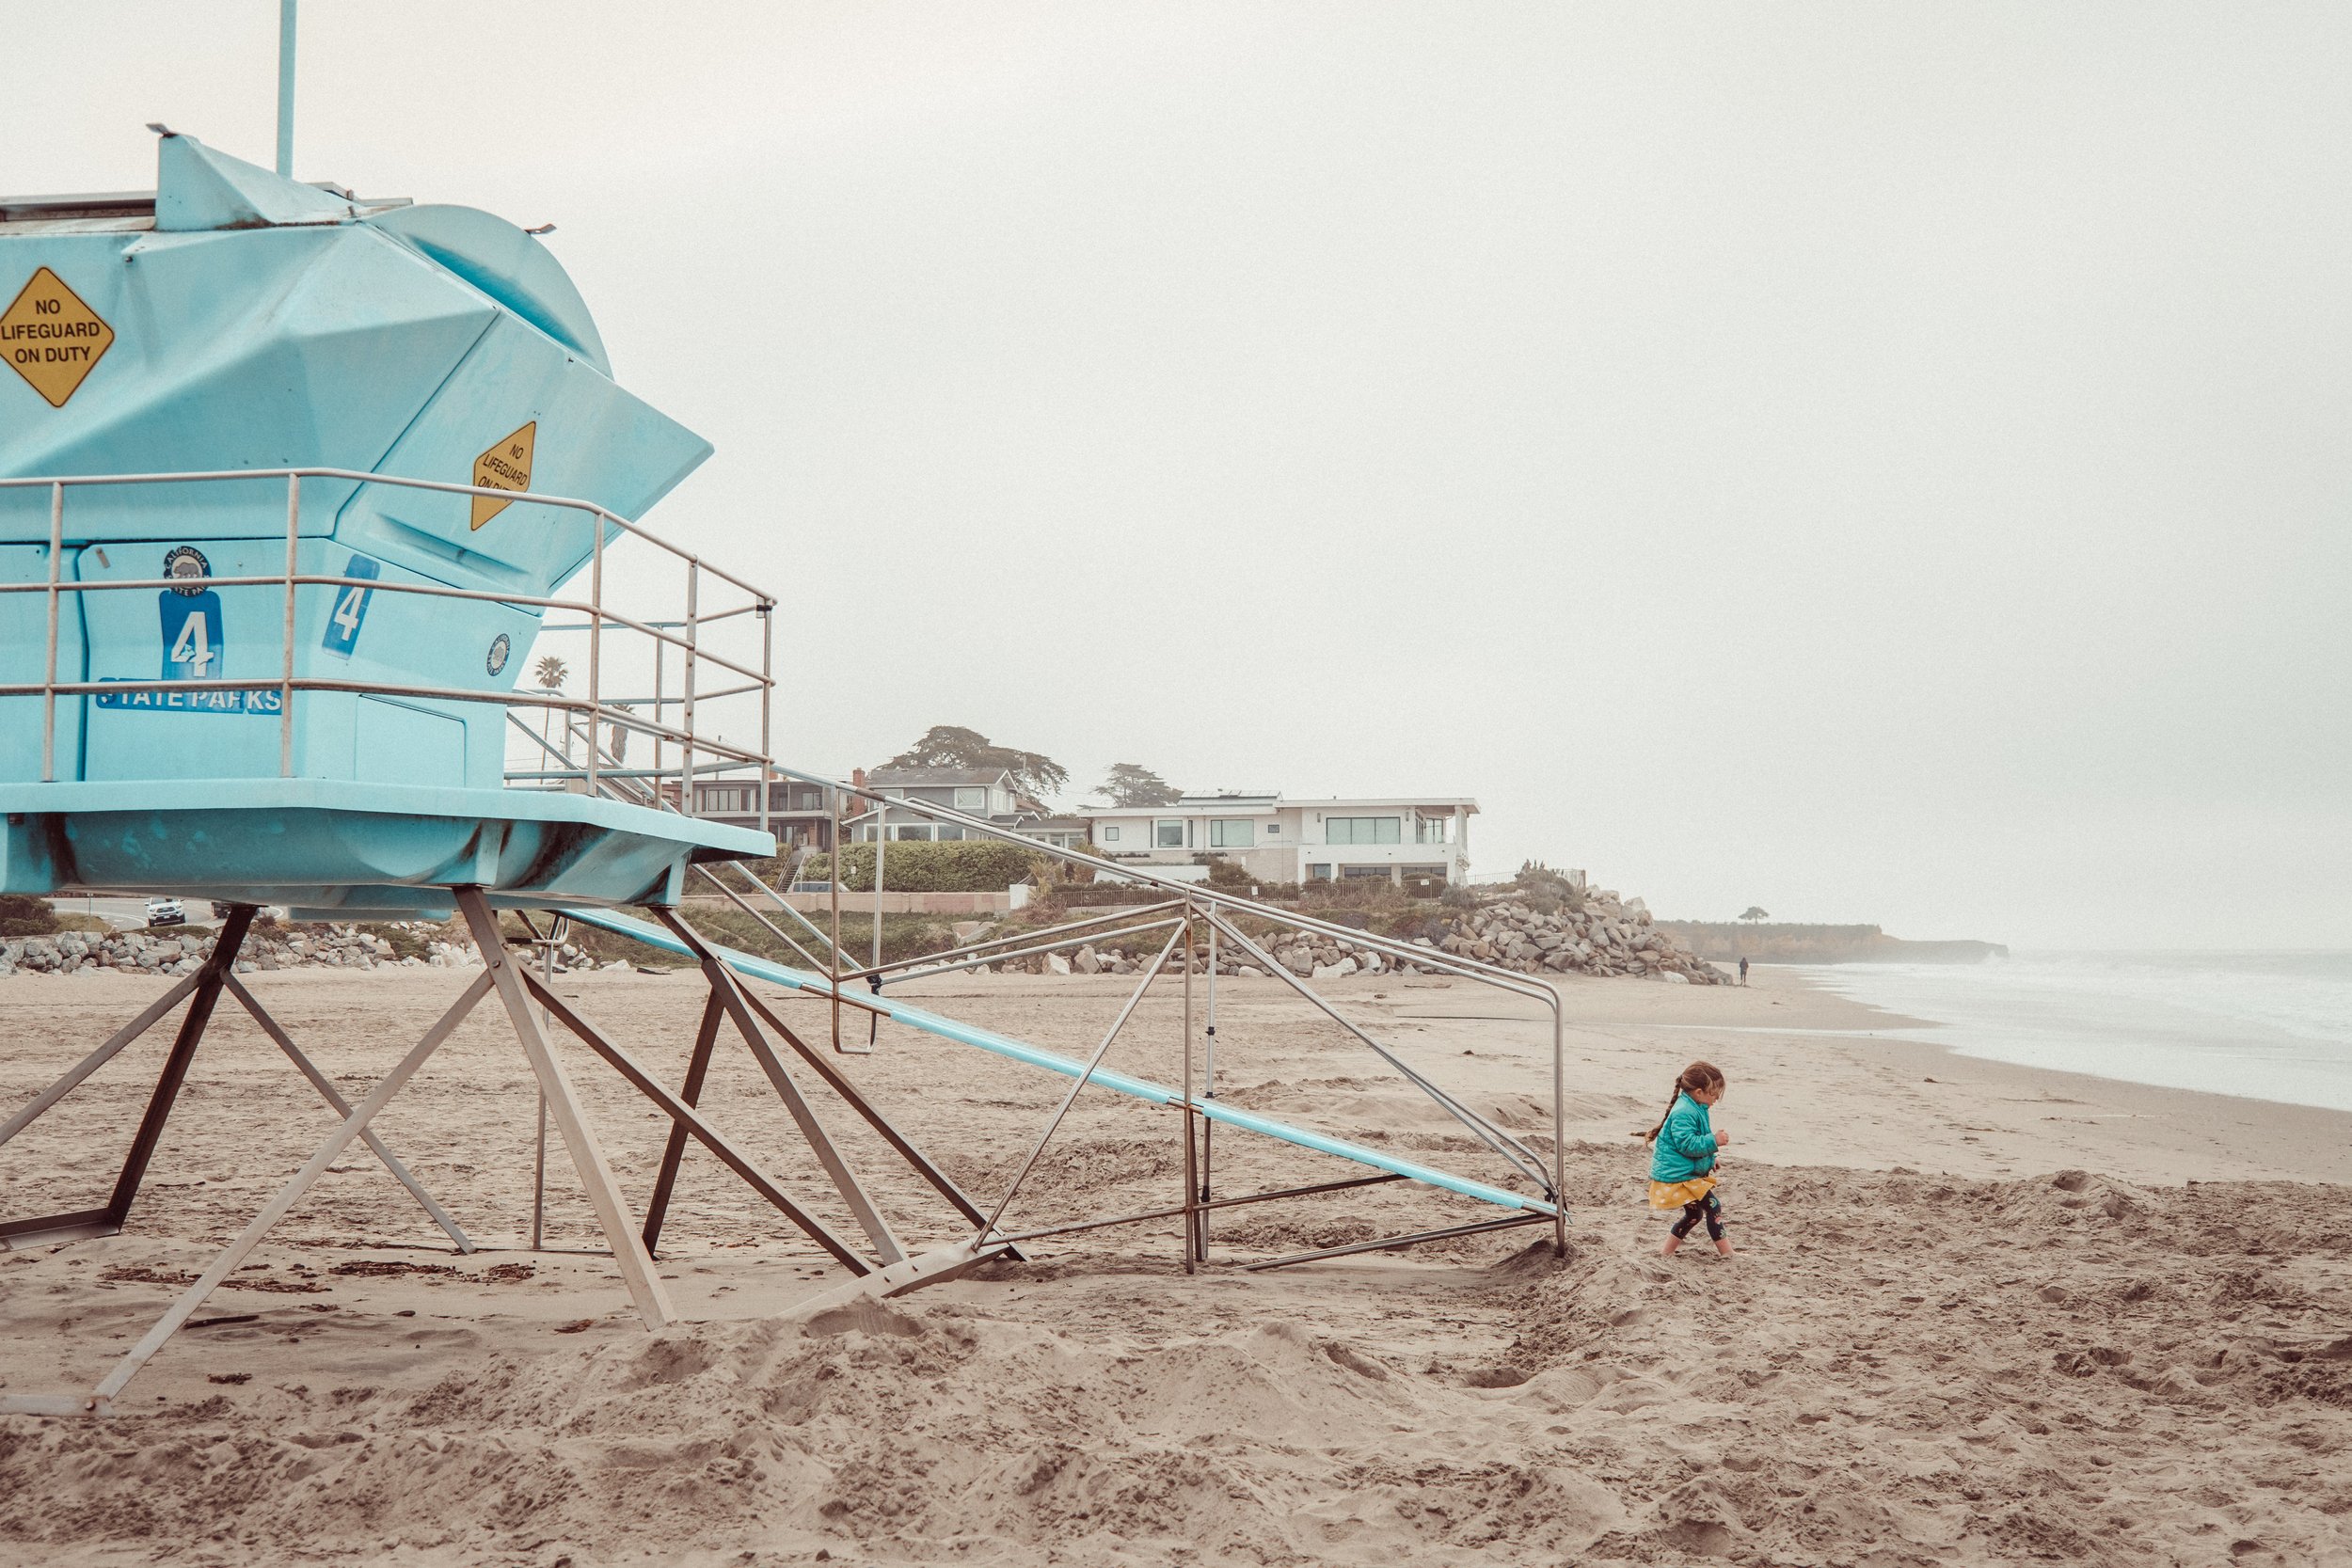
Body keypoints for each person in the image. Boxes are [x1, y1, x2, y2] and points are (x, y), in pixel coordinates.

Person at [1639, 1060, 1732, 1258]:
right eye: (1714, 1094)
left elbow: (1698, 1137)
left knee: (1694, 1215)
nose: (1716, 1099)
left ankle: (1666, 1252)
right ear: (1699, 1092)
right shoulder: (1684, 1112)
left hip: (1685, 1172)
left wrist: (1710, 1157)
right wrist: (1714, 1141)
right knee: (1713, 1206)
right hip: (1679, 1175)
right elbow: (1688, 1145)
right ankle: (1727, 1253)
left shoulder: (1696, 1107)